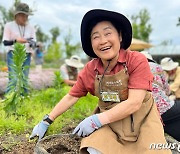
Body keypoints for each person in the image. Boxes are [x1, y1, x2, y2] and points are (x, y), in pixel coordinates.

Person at [30, 9, 170, 154]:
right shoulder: (91, 69)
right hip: (110, 124)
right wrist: (47, 121)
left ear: (120, 36)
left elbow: (134, 103)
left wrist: (95, 121)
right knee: (94, 148)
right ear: (91, 43)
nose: (103, 41)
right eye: (95, 37)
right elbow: (72, 96)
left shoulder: (136, 60)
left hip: (142, 121)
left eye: (108, 33)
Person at [141, 51, 180, 141]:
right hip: (164, 106)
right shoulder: (156, 67)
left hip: (148, 112)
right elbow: (167, 89)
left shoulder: (130, 70)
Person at [2, 2, 36, 93]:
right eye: (22, 15)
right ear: (16, 15)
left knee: (24, 79)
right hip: (13, 54)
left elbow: (34, 42)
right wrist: (16, 41)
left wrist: (31, 42)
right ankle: (9, 100)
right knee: (13, 79)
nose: (24, 18)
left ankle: (23, 101)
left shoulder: (31, 27)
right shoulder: (9, 26)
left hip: (26, 55)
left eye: (26, 16)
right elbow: (5, 42)